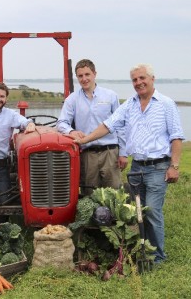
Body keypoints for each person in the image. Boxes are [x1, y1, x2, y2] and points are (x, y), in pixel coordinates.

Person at [73, 63, 185, 263]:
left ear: (152, 79)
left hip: (158, 166)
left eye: (142, 78)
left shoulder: (166, 104)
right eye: (134, 80)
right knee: (138, 212)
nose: (138, 83)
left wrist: (174, 166)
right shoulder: (130, 105)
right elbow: (108, 125)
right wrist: (84, 140)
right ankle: (143, 249)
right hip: (137, 168)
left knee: (152, 210)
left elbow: (176, 137)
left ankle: (157, 256)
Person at [57, 59, 128, 196]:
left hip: (110, 152)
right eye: (80, 76)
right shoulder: (72, 99)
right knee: (89, 195)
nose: (84, 79)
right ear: (76, 77)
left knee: (114, 195)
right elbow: (61, 123)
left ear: (94, 74)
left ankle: (115, 218)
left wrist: (123, 153)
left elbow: (121, 125)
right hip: (87, 154)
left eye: (87, 74)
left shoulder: (111, 96)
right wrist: (71, 131)